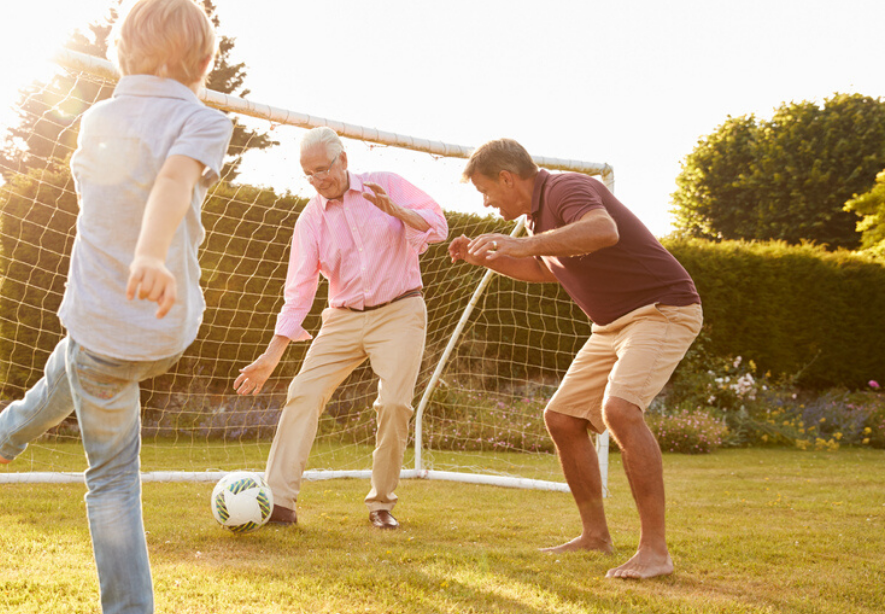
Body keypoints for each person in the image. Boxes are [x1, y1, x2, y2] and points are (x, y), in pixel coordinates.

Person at [0, 0, 233, 613]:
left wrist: (145, 254)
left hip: (104, 324)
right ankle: (8, 431)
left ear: (123, 53)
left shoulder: (97, 119)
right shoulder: (206, 119)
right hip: (168, 328)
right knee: (76, 363)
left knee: (110, 473)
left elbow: (167, 182)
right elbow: (172, 176)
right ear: (201, 65)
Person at [448, 138, 701, 579]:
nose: (486, 203)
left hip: (661, 309)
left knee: (620, 410)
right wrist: (487, 259)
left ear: (507, 177)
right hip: (609, 326)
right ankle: (595, 536)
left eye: (485, 190)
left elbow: (604, 231)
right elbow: (547, 269)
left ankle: (655, 552)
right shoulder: (534, 219)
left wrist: (520, 246)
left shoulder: (567, 188)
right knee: (563, 418)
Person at [233, 127, 448, 530]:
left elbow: (439, 226)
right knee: (302, 393)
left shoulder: (386, 186)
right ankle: (279, 503)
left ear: (343, 160)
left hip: (400, 311)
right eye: (308, 174)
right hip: (343, 318)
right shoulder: (311, 218)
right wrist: (271, 356)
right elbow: (299, 291)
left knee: (395, 405)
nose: (318, 180)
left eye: (322, 170)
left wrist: (396, 212)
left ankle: (381, 505)